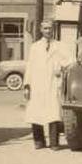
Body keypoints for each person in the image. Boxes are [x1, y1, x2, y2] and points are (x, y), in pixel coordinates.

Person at [23, 19, 74, 150]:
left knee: (54, 112)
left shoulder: (60, 46)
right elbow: (30, 67)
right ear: (41, 30)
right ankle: (39, 141)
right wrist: (27, 85)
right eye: (45, 28)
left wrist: (61, 68)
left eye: (50, 28)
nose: (48, 31)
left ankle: (54, 142)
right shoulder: (35, 47)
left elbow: (70, 61)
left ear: (54, 30)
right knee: (36, 112)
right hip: (37, 83)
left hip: (53, 82)